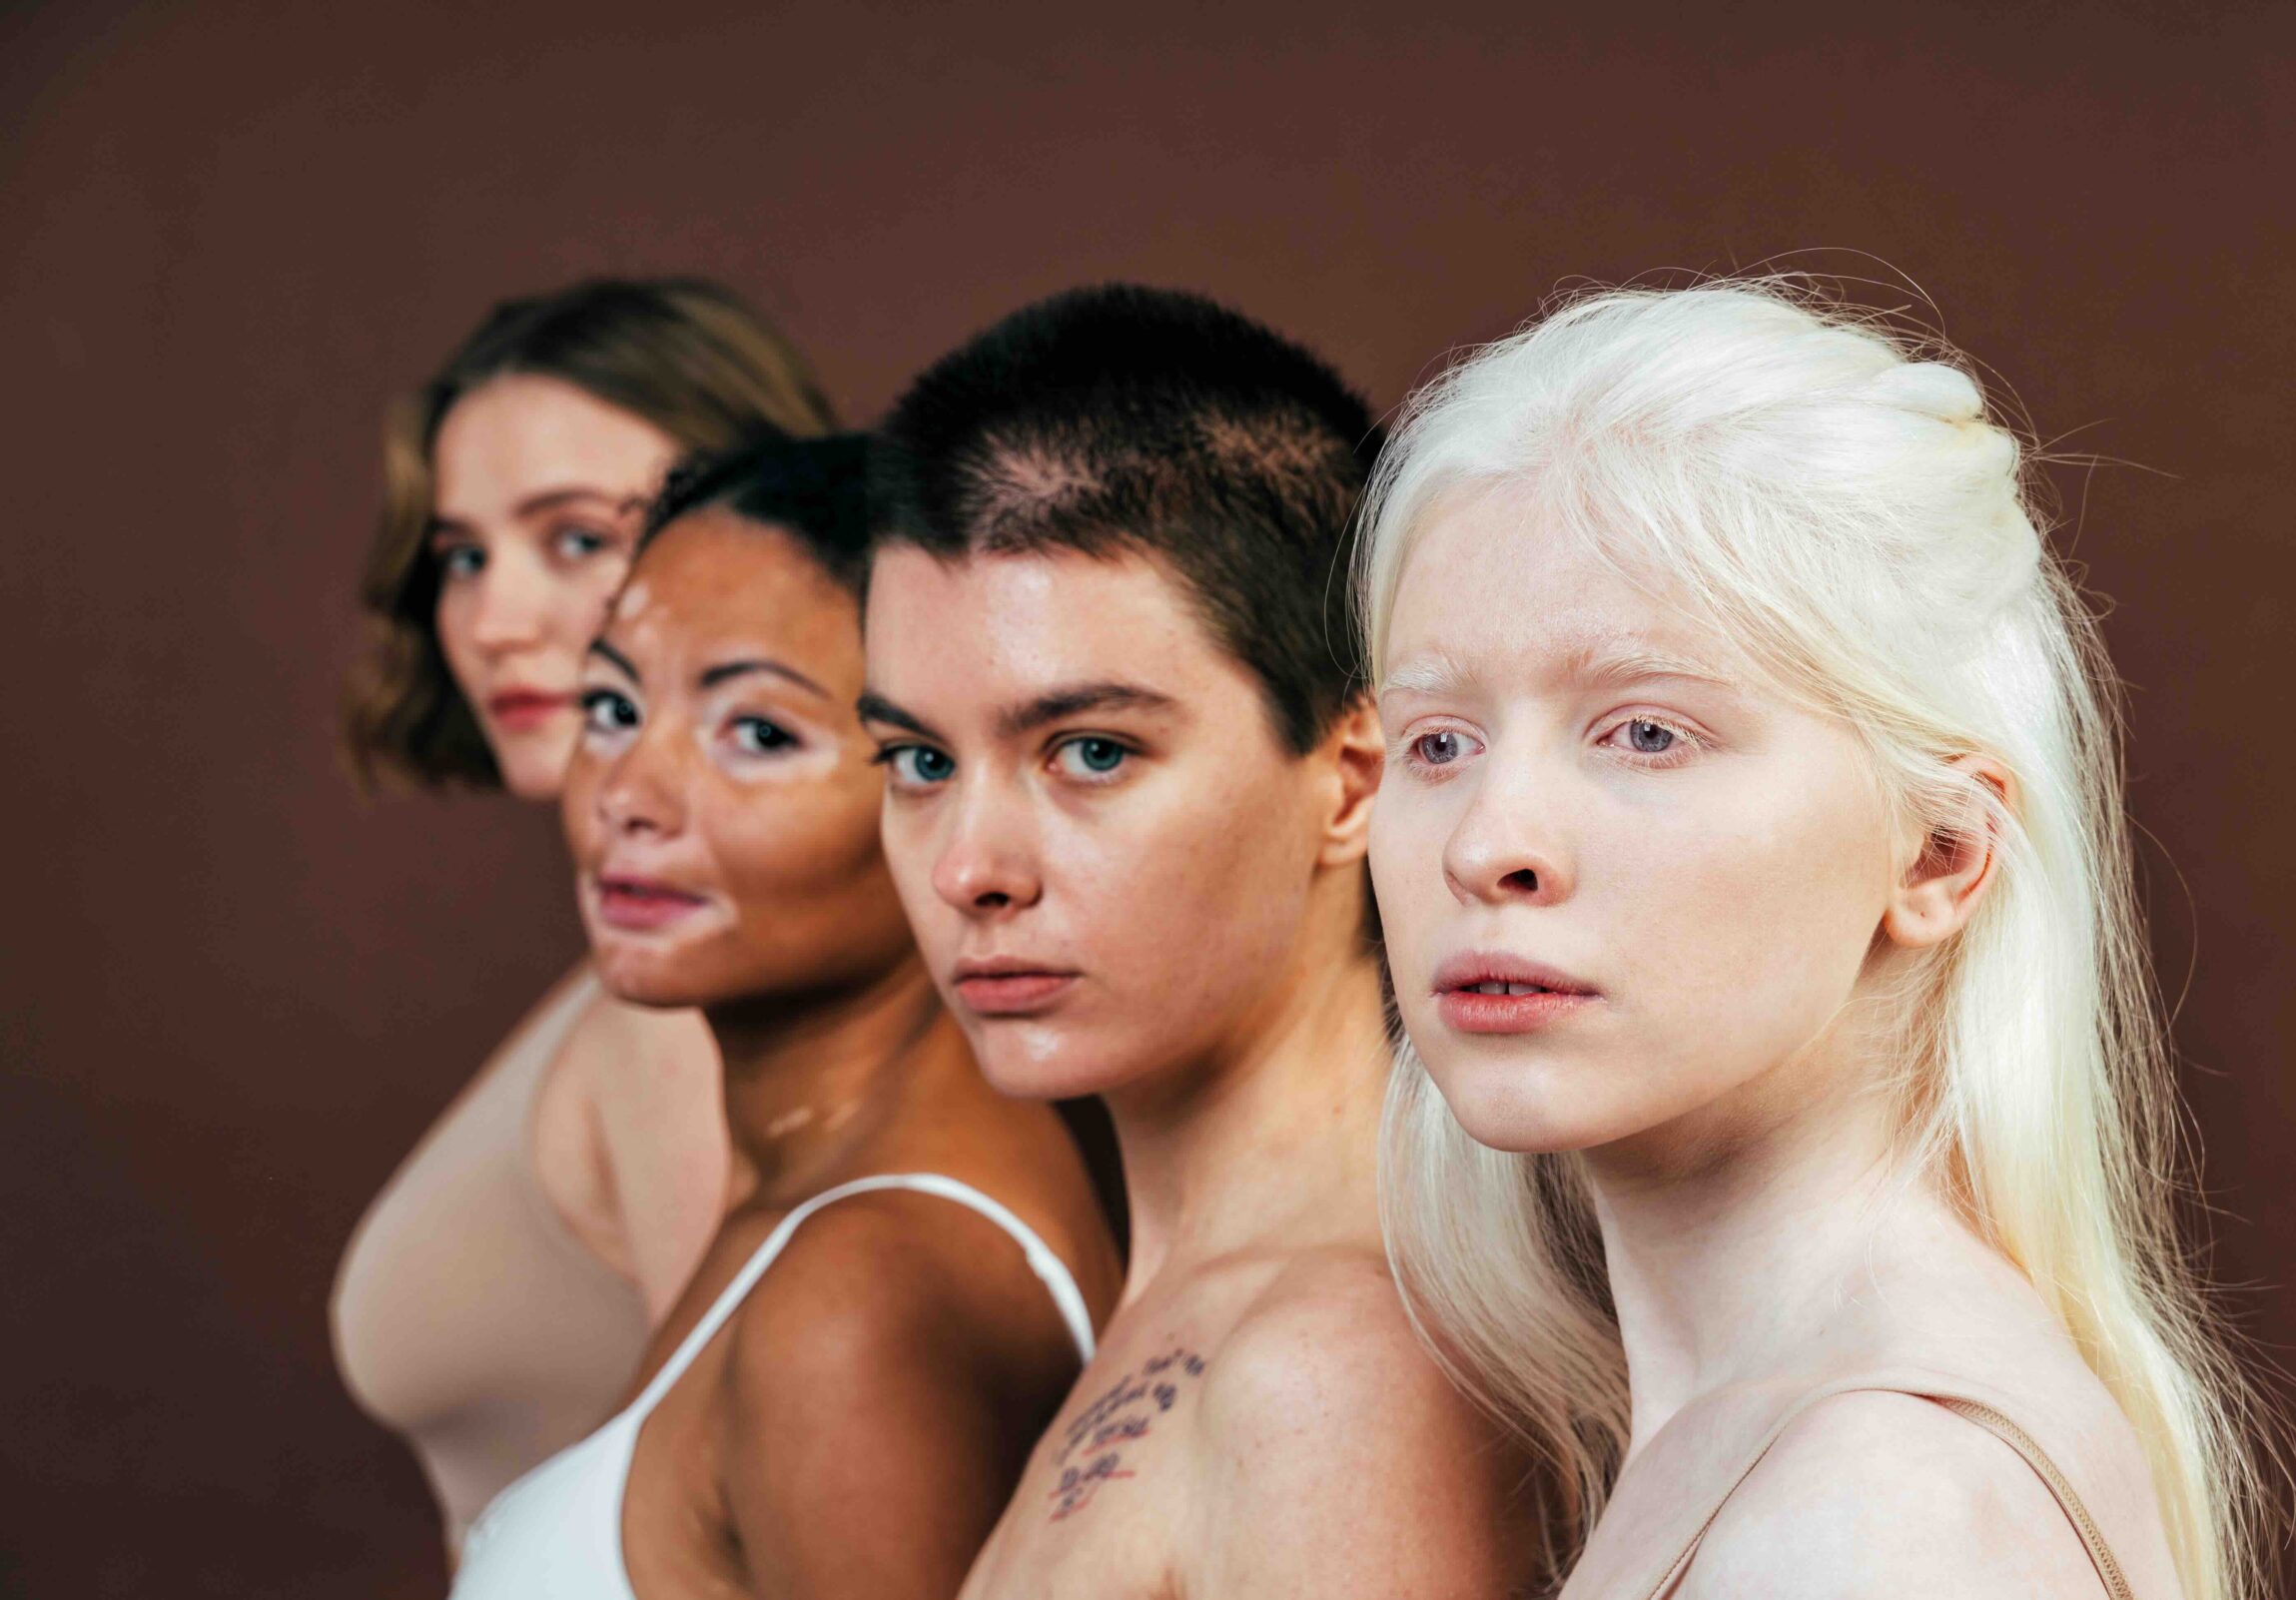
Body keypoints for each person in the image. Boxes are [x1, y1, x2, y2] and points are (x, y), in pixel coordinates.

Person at [1356, 282, 2281, 1599]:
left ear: (1939, 850)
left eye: (1646, 731)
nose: (1484, 842)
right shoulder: (1783, 1435)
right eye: (1438, 741)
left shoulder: (1875, 1517)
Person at [856, 285, 1538, 1598]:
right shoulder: (1213, 1308)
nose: (968, 868)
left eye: (1091, 751)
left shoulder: (1337, 1369)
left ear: (1351, 774)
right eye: (920, 758)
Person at [452, 434, 1120, 1598]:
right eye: (610, 706)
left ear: (938, 777)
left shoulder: (866, 1297)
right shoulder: (816, 1210)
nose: (627, 796)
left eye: (756, 732)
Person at [332, 278, 835, 1553]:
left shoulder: (690, 1012)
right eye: (462, 557)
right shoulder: (652, 961)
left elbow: (758, 1536)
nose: (492, 623)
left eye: (571, 538)